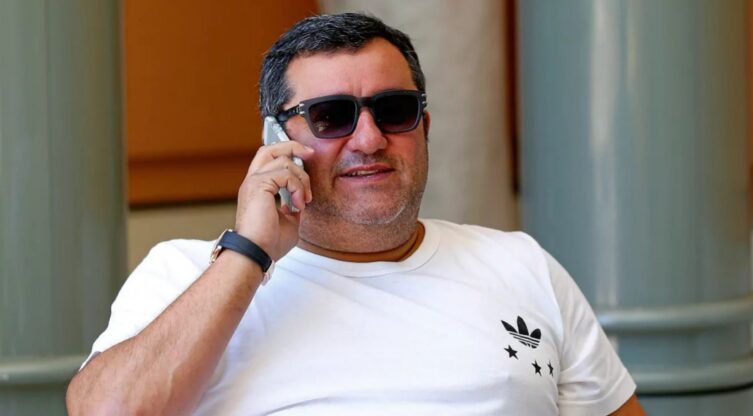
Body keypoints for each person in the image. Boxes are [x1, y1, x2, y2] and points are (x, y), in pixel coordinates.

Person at [66, 12, 645, 416]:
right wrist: (248, 254)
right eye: (330, 116)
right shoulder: (185, 274)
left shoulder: (521, 265)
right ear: (276, 142)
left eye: (393, 110)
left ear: (424, 127)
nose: (368, 139)